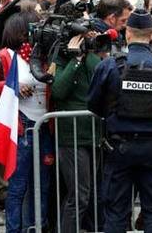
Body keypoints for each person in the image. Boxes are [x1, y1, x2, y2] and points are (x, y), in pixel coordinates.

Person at [87, 8, 152, 233]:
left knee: (116, 212)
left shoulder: (110, 66)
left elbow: (92, 104)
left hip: (119, 148)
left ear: (127, 34)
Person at [0, 7, 54, 233]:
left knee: (42, 185)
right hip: (22, 128)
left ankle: (35, 227)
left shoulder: (46, 56)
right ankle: (14, 229)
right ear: (22, 31)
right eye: (35, 27)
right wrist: (12, 87)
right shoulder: (4, 57)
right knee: (18, 185)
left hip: (45, 127)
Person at [50, 34, 103, 233]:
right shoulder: (61, 58)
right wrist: (75, 59)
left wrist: (90, 53)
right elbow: (58, 91)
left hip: (93, 134)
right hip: (71, 136)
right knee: (79, 195)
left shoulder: (93, 58)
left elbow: (100, 81)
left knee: (89, 194)